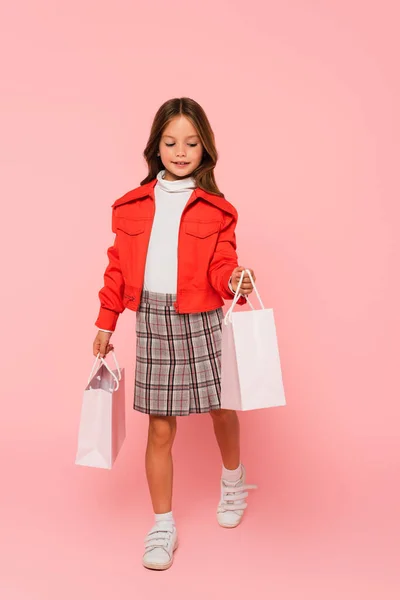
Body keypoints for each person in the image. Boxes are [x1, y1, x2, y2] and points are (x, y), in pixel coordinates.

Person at [92, 97, 257, 571]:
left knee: (222, 407)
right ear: (156, 146)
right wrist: (106, 323)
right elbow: (117, 271)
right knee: (161, 425)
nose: (180, 151)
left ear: (205, 148)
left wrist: (236, 280)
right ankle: (162, 524)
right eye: (170, 141)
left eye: (191, 142)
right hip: (154, 320)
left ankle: (233, 479)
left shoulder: (218, 209)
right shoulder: (129, 206)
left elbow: (223, 264)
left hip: (203, 315)